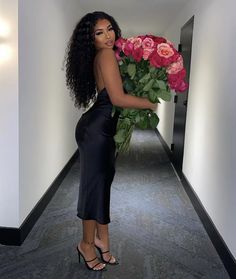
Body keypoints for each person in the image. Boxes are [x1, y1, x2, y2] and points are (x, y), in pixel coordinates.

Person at [65, 11, 157, 271]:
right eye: (99, 33)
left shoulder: (106, 56)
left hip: (100, 128)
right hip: (96, 131)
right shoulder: (105, 55)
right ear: (91, 39)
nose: (107, 36)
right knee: (94, 189)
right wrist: (149, 103)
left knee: (102, 185)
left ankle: (102, 242)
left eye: (109, 29)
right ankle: (86, 244)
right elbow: (117, 98)